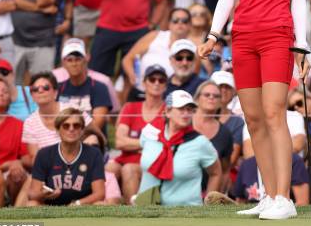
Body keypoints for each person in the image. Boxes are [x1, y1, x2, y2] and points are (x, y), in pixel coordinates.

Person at [198, 0, 311, 219]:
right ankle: (267, 195)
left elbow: (299, 3)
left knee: (275, 113)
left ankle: (284, 199)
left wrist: (301, 47)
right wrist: (214, 34)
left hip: (278, 36)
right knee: (253, 119)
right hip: (243, 37)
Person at [137, 90, 221, 206]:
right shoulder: (149, 133)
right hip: (146, 208)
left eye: (190, 109)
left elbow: (216, 173)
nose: (186, 113)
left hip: (186, 212)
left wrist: (209, 205)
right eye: (181, 108)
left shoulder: (200, 142)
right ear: (167, 111)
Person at [107, 64, 166, 203]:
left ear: (165, 85)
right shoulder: (131, 107)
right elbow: (119, 142)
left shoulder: (167, 111)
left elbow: (163, 144)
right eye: (152, 79)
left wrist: (132, 143)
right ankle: (106, 210)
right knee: (108, 169)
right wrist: (146, 143)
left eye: (161, 80)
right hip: (125, 157)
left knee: (129, 170)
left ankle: (133, 213)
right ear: (144, 83)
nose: (156, 83)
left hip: (151, 162)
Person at [28, 107, 105, 206]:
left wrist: (77, 204)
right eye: (66, 126)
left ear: (82, 130)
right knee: (32, 204)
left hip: (82, 207)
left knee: (100, 204)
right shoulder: (44, 154)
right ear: (57, 130)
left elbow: (100, 194)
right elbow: (32, 194)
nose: (71, 129)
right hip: (50, 207)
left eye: (76, 125)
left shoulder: (94, 154)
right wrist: (44, 195)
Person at [0, 76, 29, 207]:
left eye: (5, 91)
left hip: (9, 174)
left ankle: (13, 215)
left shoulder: (19, 125)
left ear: (10, 98)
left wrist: (17, 162)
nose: (1, 93)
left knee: (18, 174)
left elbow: (27, 157)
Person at [122, 7, 190, 96]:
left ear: (190, 25)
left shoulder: (192, 49)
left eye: (184, 21)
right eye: (175, 20)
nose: (180, 23)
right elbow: (128, 59)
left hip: (169, 96)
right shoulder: (154, 36)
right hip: (140, 90)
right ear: (169, 23)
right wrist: (132, 76)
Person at [57, 38, 112, 129]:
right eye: (69, 60)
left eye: (78, 59)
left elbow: (97, 125)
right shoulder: (58, 88)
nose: (74, 64)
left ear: (86, 59)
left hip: (90, 138)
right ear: (64, 63)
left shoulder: (99, 87)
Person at [192, 81, 233, 192]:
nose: (211, 98)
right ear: (197, 99)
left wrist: (218, 196)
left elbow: (225, 170)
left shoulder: (225, 133)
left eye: (216, 96)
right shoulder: (184, 123)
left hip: (208, 193)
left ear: (220, 102)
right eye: (207, 95)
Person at [81, 128, 122, 205]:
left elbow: (112, 206)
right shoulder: (66, 174)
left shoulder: (109, 176)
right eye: (86, 147)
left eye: (95, 147)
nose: (91, 151)